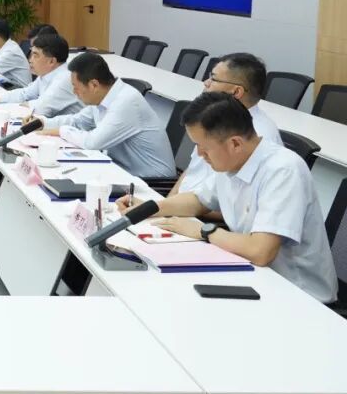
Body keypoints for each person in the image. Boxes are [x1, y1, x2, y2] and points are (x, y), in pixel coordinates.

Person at [118, 92, 337, 305]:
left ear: (235, 144)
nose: (199, 154)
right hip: (253, 273)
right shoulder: (232, 160)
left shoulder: (283, 170)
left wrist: (204, 231)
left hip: (299, 295)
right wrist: (150, 207)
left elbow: (260, 251)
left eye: (204, 147)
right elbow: (198, 201)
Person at [38, 52, 175, 178]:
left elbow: (92, 142)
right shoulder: (102, 97)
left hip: (153, 183)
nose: (74, 92)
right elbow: (77, 121)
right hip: (121, 170)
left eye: (76, 87)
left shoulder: (126, 101)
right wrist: (41, 123)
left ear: (94, 85)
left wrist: (61, 131)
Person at [170, 52, 281, 196]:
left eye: (213, 78)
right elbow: (192, 171)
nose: (206, 82)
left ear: (236, 91)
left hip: (205, 209)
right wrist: (166, 202)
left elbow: (233, 201)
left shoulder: (257, 136)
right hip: (183, 203)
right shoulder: (215, 117)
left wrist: (171, 205)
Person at [0, 31, 80, 117]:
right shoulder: (47, 74)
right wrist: (0, 98)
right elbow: (26, 93)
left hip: (70, 129)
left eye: (35, 55)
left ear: (52, 61)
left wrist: (28, 104)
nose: (30, 60)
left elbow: (41, 109)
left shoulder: (65, 78)